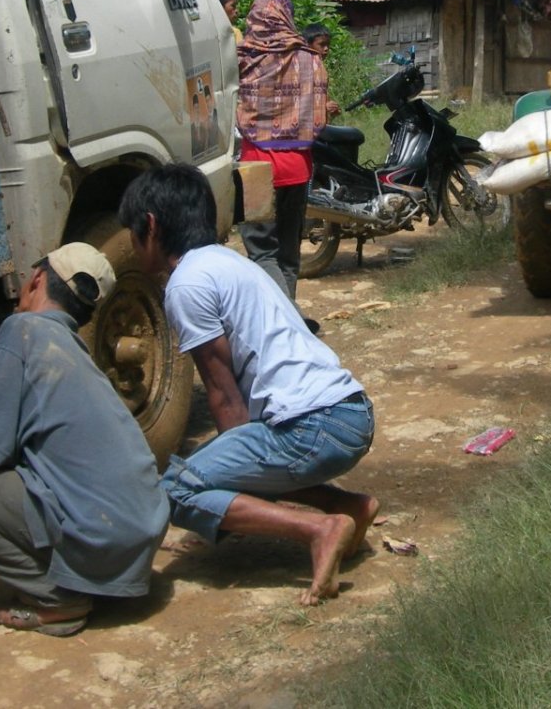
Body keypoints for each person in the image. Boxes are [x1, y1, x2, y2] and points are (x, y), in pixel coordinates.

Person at [120, 164, 378, 606]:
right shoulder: (225, 261)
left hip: (313, 427)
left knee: (176, 488)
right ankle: (349, 507)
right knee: (223, 465)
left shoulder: (185, 285)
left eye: (131, 232)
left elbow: (224, 400)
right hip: (350, 413)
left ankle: (319, 528)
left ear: (151, 225)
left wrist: (216, 504)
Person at [0, 243, 169, 637]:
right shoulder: (74, 351)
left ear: (35, 280)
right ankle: (85, 576)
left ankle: (55, 598)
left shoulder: (21, 329)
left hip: (104, 538)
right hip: (141, 535)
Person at [236, 0, 330, 301]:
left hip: (256, 165)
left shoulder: (243, 56)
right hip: (297, 166)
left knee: (263, 252)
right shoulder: (311, 58)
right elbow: (319, 118)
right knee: (289, 250)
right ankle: (289, 315)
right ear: (286, 15)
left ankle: (280, 321)